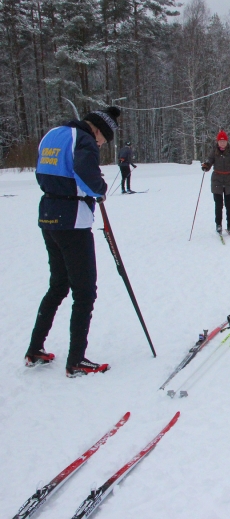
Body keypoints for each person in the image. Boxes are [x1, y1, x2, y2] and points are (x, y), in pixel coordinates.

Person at [27, 106, 118, 377]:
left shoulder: (53, 134)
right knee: (85, 290)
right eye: (104, 140)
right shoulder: (84, 139)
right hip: (73, 220)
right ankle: (76, 358)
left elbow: (43, 170)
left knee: (58, 285)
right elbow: (86, 174)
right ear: (98, 129)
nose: (101, 145)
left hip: (48, 215)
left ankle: (35, 348)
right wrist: (99, 189)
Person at [202, 130, 230, 236]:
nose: (222, 143)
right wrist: (206, 166)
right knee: (218, 204)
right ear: (217, 142)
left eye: (224, 141)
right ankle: (218, 224)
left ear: (227, 141)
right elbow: (209, 161)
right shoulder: (214, 151)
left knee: (229, 205)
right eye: (220, 141)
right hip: (217, 180)